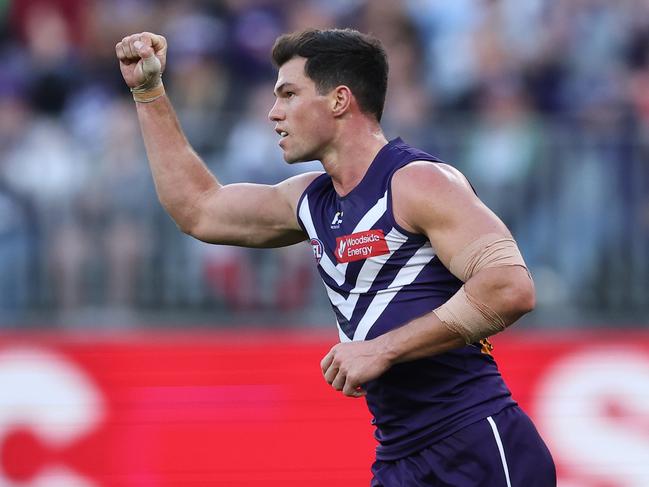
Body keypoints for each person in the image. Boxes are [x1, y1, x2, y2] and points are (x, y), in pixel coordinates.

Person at [115, 28, 556, 486]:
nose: (273, 112)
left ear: (339, 100)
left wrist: (382, 349)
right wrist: (149, 92)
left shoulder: (418, 182)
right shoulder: (310, 200)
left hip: (476, 442)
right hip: (400, 457)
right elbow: (199, 210)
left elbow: (510, 287)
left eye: (288, 94)